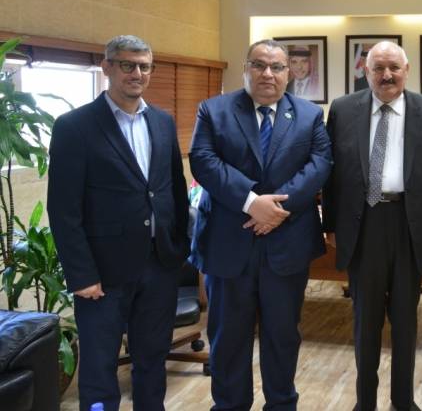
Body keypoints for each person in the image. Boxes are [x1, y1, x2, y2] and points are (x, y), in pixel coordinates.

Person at [47, 35, 189, 411]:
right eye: (127, 65)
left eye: (144, 66)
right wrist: (81, 275)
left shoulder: (162, 122)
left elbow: (173, 190)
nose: (137, 73)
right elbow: (64, 210)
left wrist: (178, 247)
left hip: (159, 266)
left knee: (152, 361)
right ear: (107, 66)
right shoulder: (75, 126)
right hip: (102, 274)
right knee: (99, 367)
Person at [189, 39, 332, 410]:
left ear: (288, 73)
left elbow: (320, 165)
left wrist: (276, 208)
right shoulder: (214, 110)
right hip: (228, 245)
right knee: (228, 338)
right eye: (259, 65)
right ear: (246, 69)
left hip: (287, 245)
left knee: (283, 336)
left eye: (277, 67)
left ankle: (281, 404)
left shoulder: (309, 115)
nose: (268, 73)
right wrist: (252, 202)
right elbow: (203, 160)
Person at [322, 41, 422, 411]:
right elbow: (331, 175)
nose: (387, 75)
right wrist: (331, 225)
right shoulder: (343, 109)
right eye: (378, 68)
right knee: (366, 320)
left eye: (394, 67)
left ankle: (403, 401)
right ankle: (365, 403)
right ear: (366, 72)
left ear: (407, 70)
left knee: (406, 321)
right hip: (364, 225)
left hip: (410, 225)